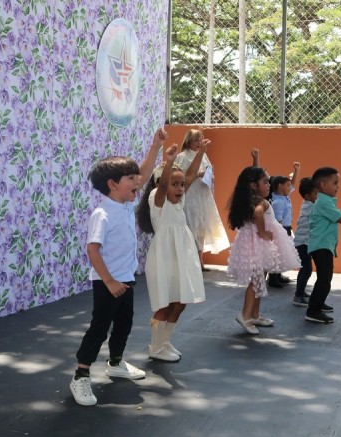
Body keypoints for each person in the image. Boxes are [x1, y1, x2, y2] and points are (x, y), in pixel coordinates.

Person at [69, 127, 168, 407]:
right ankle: (80, 375)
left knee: (124, 324)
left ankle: (115, 363)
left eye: (137, 178)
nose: (139, 182)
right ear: (113, 184)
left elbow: (144, 173)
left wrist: (155, 146)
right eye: (131, 179)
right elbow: (92, 249)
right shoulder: (102, 213)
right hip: (107, 282)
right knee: (100, 328)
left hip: (126, 279)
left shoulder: (124, 204)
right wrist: (109, 281)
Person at [137, 140, 209, 362]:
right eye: (174, 184)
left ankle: (164, 341)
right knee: (166, 303)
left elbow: (190, 176)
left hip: (181, 256)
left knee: (180, 302)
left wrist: (201, 152)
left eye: (181, 185)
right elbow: (164, 184)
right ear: (160, 184)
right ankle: (155, 347)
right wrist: (169, 162)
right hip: (165, 257)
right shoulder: (157, 200)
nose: (180, 188)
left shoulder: (179, 201)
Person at [227, 162, 300, 335]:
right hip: (258, 242)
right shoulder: (261, 202)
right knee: (256, 280)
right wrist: (263, 233)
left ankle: (254, 315)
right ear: (253, 185)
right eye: (265, 182)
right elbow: (258, 213)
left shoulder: (250, 200)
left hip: (253, 242)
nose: (269, 185)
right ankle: (245, 315)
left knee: (260, 278)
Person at [304, 167, 341, 323]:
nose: (338, 186)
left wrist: (340, 210)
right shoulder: (324, 202)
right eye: (335, 183)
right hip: (321, 246)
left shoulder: (325, 201)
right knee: (324, 280)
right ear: (323, 185)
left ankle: (318, 304)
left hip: (323, 246)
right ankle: (313, 311)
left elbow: (332, 215)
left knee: (324, 278)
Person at [175, 129, 230, 270]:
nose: (198, 143)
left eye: (200, 140)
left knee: (201, 229)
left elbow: (209, 170)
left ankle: (200, 260)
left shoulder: (204, 155)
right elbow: (180, 176)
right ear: (188, 141)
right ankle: (189, 261)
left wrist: (210, 176)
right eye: (195, 140)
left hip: (203, 195)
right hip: (191, 195)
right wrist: (198, 174)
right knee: (190, 226)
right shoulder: (182, 156)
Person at [267, 162, 300, 288]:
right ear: (280, 186)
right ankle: (273, 278)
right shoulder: (278, 202)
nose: (290, 187)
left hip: (286, 228)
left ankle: (278, 274)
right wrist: (280, 234)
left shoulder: (283, 196)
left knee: (282, 253)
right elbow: (277, 220)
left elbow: (293, 184)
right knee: (276, 253)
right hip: (280, 230)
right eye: (287, 185)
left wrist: (296, 171)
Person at [292, 177, 318, 306]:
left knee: (304, 269)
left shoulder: (308, 203)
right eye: (317, 193)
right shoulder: (311, 206)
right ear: (308, 196)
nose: (319, 196)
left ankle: (300, 291)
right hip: (303, 243)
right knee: (307, 270)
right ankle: (298, 295)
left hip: (303, 242)